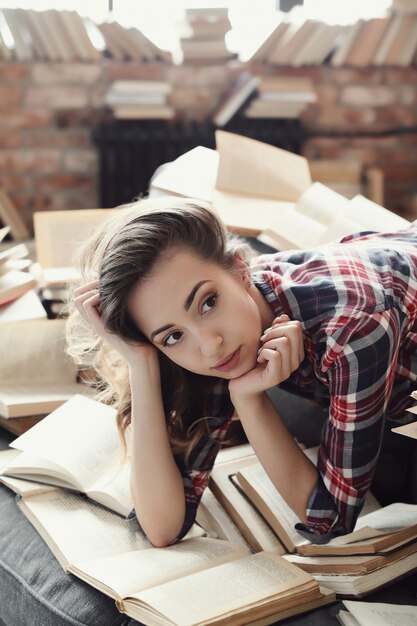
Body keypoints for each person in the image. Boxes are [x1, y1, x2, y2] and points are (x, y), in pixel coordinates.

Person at [67, 196, 417, 548]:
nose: (210, 345)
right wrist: (139, 361)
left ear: (240, 269)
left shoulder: (352, 329)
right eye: (172, 336)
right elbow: (162, 527)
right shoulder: (203, 353)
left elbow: (331, 521)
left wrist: (251, 402)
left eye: (208, 302)